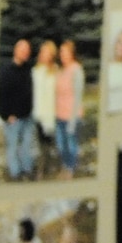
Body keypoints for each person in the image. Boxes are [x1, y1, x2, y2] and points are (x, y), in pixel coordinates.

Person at [0, 38, 38, 179]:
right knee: (13, 146)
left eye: (27, 51)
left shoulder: (28, 70)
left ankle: (27, 170)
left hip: (28, 115)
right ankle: (15, 173)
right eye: (22, 50)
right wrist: (5, 115)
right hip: (13, 118)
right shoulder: (6, 71)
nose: (25, 53)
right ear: (16, 51)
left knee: (27, 145)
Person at [55, 40, 86, 173]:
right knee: (61, 146)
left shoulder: (76, 69)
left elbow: (78, 96)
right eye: (61, 52)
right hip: (59, 115)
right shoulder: (61, 70)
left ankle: (70, 169)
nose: (63, 55)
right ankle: (65, 165)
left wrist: (73, 121)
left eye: (66, 52)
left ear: (72, 53)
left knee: (71, 144)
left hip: (71, 116)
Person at [32, 40, 60, 172]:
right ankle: (42, 167)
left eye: (47, 53)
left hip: (51, 112)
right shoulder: (35, 71)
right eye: (43, 52)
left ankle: (47, 165)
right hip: (37, 111)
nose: (44, 55)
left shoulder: (56, 71)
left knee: (49, 141)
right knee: (40, 141)